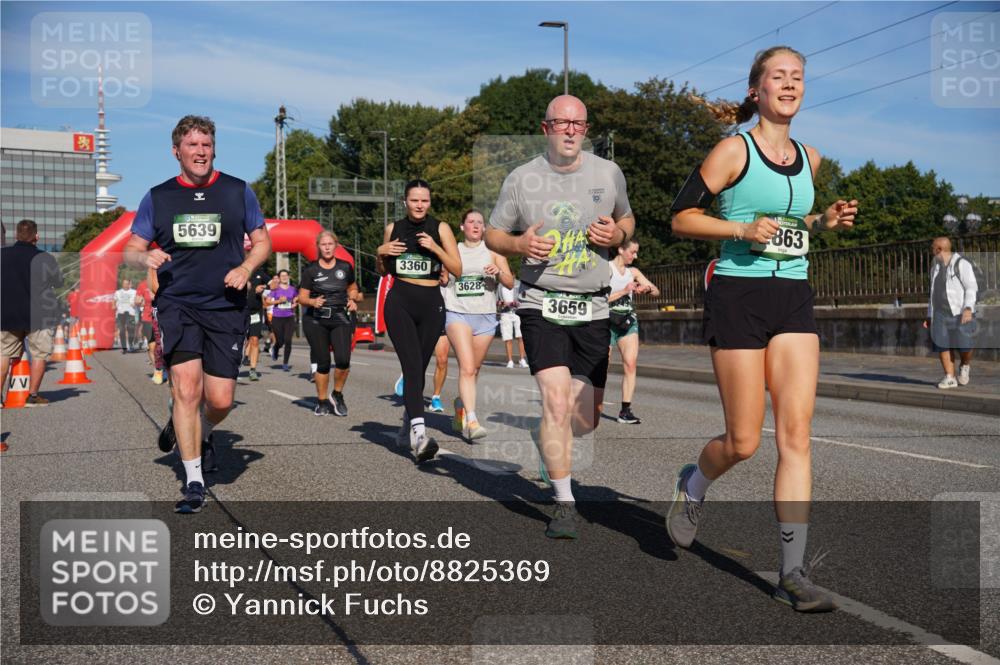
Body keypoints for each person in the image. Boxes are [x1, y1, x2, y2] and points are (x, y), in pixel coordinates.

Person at [668, 46, 858, 612]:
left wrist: (822, 222)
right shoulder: (734, 150)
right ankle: (694, 484)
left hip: (794, 295)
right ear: (756, 90)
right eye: (778, 76)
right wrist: (741, 229)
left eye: (798, 77)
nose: (790, 84)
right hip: (738, 295)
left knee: (796, 436)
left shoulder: (812, 158)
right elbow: (681, 218)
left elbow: (791, 225)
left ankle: (792, 574)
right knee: (745, 441)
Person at [486, 95, 635, 539]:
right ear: (545, 127)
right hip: (540, 302)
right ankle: (565, 503)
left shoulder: (607, 173)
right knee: (554, 401)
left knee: (583, 420)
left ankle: (545, 438)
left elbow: (628, 220)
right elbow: (495, 233)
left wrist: (618, 232)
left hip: (593, 305)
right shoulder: (521, 179)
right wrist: (518, 246)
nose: (571, 130)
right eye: (561, 123)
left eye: (579, 123)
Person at [124, 114, 271, 514]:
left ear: (214, 149)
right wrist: (144, 255)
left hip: (225, 305)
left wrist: (245, 268)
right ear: (177, 152)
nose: (200, 152)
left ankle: (200, 431)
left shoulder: (238, 191)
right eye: (192, 145)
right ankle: (193, 480)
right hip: (178, 304)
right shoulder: (159, 197)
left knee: (220, 399)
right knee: (186, 391)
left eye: (206, 145)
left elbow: (262, 242)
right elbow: (130, 248)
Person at [378, 179, 462, 463]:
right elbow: (382, 270)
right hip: (400, 301)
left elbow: (458, 269)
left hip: (431, 305)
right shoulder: (394, 228)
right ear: (405, 202)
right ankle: (420, 435)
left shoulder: (441, 228)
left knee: (419, 370)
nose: (419, 205)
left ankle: (407, 422)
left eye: (424, 200)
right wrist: (381, 253)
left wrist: (436, 248)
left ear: (429, 201)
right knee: (412, 368)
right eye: (414, 200)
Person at [444, 209, 514, 440]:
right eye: (471, 222)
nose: (475, 225)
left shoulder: (493, 251)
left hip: (485, 315)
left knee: (474, 369)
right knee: (466, 368)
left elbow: (510, 282)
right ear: (462, 226)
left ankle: (460, 403)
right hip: (458, 314)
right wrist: (443, 277)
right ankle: (472, 421)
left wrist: (499, 272)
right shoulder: (453, 250)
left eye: (479, 223)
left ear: (484, 228)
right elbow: (443, 278)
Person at [0, 219, 63, 407]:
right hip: (40, 316)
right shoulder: (45, 258)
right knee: (39, 355)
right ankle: (33, 396)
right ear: (37, 236)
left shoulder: (2, 255)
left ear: (16, 235)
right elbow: (58, 282)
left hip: (7, 314)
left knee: (3, 354)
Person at [300, 230, 362, 416]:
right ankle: (321, 401)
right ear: (318, 247)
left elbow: (353, 288)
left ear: (336, 245)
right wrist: (312, 302)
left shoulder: (345, 267)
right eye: (323, 244)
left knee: (343, 360)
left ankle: (337, 394)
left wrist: (353, 299)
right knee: (323, 362)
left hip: (340, 317)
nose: (327, 247)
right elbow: (302, 297)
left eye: (330, 244)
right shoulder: (311, 270)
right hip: (316, 319)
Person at [608, 239, 660, 424]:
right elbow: (598, 299)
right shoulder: (606, 269)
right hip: (605, 321)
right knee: (599, 368)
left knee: (630, 364)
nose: (635, 256)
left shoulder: (633, 272)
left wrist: (646, 289)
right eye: (633, 251)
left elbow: (656, 292)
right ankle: (586, 403)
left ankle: (625, 411)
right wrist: (623, 291)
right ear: (621, 249)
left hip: (627, 321)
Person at [926, 237, 978, 389]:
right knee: (942, 344)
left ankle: (965, 364)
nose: (931, 249)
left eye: (933, 247)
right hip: (940, 313)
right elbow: (932, 293)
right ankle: (949, 377)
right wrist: (929, 315)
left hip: (960, 311)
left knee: (965, 346)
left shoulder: (962, 264)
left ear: (939, 249)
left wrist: (968, 309)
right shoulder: (935, 267)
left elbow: (971, 287)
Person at [265, 269, 297, 371]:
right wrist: (279, 301)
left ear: (288, 277)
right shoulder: (275, 289)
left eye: (286, 275)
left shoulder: (293, 289)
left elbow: (297, 299)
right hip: (277, 318)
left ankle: (285, 363)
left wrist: (295, 304)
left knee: (288, 340)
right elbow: (267, 302)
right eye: (282, 276)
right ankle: (275, 348)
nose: (284, 277)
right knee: (280, 341)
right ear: (279, 278)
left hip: (289, 317)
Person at [244, 266, 271, 381]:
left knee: (254, 339)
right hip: (239, 311)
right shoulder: (235, 269)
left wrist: (264, 287)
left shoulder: (259, 272)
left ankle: (252, 370)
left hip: (255, 312)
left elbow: (273, 284)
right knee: (240, 340)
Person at [498, 277, 529, 369]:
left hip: (517, 313)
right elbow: (496, 301)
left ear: (513, 274)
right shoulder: (500, 285)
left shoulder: (519, 284)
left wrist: (515, 303)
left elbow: (523, 298)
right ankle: (510, 360)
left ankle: (522, 359)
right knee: (508, 338)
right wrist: (501, 303)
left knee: (521, 337)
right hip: (505, 313)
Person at [112, 277, 137, 353]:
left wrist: (136, 303)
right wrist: (113, 305)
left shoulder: (134, 292)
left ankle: (130, 344)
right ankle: (124, 348)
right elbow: (114, 300)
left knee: (131, 329)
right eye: (124, 283)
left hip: (131, 313)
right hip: (120, 313)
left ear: (129, 284)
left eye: (126, 283)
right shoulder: (118, 292)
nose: (125, 285)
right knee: (122, 330)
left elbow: (138, 299)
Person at [135, 276, 156, 366]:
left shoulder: (162, 281)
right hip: (148, 318)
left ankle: (165, 370)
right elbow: (137, 300)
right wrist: (139, 301)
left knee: (163, 346)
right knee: (152, 346)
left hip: (163, 317)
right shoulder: (143, 285)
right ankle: (158, 371)